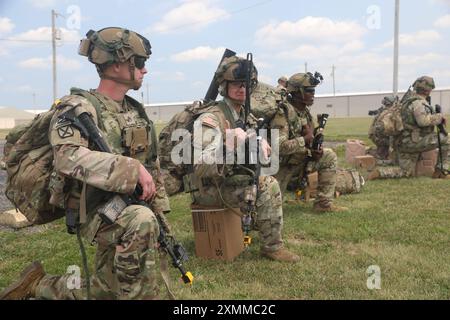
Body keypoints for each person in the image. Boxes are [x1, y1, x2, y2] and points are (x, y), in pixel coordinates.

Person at [0, 27, 171, 300]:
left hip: (126, 205)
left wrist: (161, 213)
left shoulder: (134, 112)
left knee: (104, 292)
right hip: (92, 208)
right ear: (117, 64)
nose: (145, 70)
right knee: (141, 221)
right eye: (139, 63)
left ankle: (38, 284)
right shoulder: (78, 108)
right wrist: (130, 169)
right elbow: (67, 157)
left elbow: (151, 166)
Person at [183, 56, 299, 262]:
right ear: (223, 86)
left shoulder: (245, 115)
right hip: (211, 188)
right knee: (268, 184)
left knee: (264, 174)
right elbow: (200, 167)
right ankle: (272, 247)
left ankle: (252, 223)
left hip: (231, 180)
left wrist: (260, 143)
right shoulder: (211, 118)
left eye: (247, 84)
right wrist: (226, 145)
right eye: (237, 84)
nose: (242, 89)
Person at [270, 72, 346, 212]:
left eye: (313, 90)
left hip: (299, 162)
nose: (313, 94)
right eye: (309, 90)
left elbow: (310, 139)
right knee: (271, 208)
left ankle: (323, 204)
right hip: (280, 167)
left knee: (328, 156)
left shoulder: (304, 112)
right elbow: (278, 147)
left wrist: (315, 151)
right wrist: (304, 140)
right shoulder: (282, 113)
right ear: (297, 92)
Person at [366, 76, 449, 180]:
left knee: (406, 172)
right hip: (412, 143)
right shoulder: (418, 102)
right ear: (429, 90)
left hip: (401, 142)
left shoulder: (406, 101)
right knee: (447, 139)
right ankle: (441, 171)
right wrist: (439, 117)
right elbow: (423, 121)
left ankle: (380, 172)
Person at [368, 95, 397, 160]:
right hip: (379, 138)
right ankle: (376, 154)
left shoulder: (383, 111)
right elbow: (383, 129)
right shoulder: (389, 113)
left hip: (374, 136)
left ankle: (378, 151)